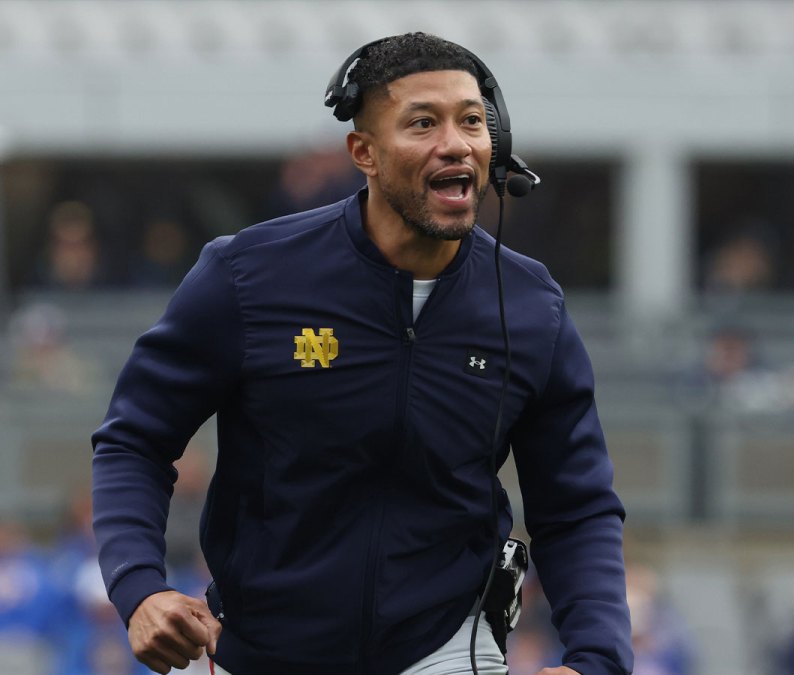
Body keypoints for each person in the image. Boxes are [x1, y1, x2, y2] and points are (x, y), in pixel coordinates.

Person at [91, 32, 633, 675]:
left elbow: (576, 505)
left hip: (445, 648)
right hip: (258, 650)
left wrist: (597, 658)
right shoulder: (247, 275)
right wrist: (140, 590)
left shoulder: (532, 304)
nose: (456, 143)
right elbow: (136, 441)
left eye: (471, 121)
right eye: (423, 123)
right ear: (365, 153)